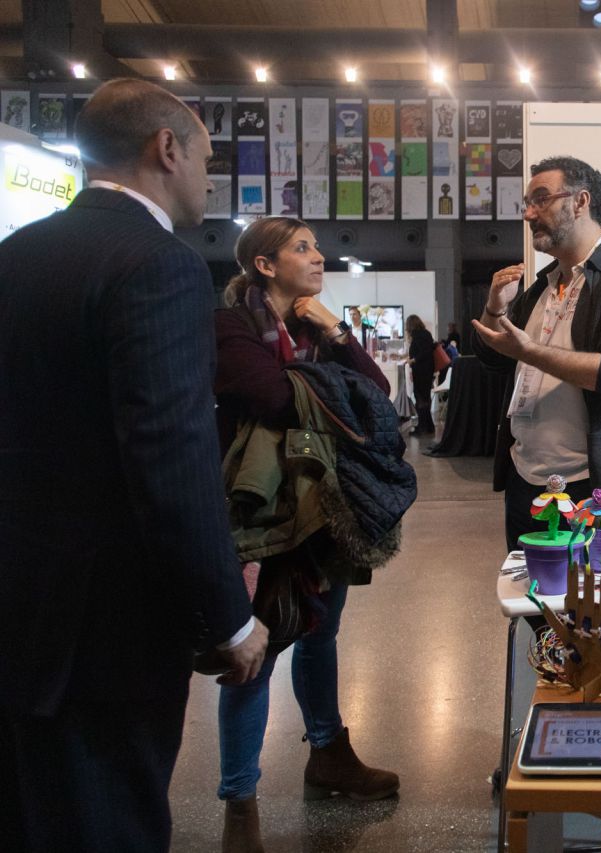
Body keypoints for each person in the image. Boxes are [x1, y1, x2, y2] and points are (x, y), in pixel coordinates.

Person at [0, 78, 268, 852]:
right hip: (104, 628)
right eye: (206, 160)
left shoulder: (18, 255)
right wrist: (228, 618)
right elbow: (170, 460)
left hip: (23, 608)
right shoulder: (160, 266)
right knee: (107, 814)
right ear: (167, 149)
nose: (208, 180)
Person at [472, 155, 601, 847]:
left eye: (539, 198)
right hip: (535, 484)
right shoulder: (548, 284)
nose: (527, 210)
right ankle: (570, 743)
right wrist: (501, 320)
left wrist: (528, 344)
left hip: (596, 486)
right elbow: (512, 358)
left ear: (579, 200)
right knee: (548, 621)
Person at [214, 217, 400, 851]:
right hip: (263, 514)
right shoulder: (231, 327)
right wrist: (332, 388)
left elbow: (375, 397)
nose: (319, 257)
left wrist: (336, 332)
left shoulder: (309, 327)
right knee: (255, 651)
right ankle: (239, 801)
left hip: (323, 508)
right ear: (265, 265)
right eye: (303, 248)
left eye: (316, 246)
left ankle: (329, 755)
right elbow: (272, 398)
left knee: (322, 635)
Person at [406, 313, 437, 435]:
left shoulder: (418, 336)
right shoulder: (426, 334)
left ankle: (422, 427)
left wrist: (413, 360)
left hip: (421, 372)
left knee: (420, 398)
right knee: (425, 398)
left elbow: (423, 353)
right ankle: (429, 426)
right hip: (427, 372)